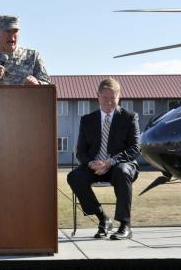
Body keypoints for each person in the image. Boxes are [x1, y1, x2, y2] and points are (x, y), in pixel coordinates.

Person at [67, 78, 140, 240]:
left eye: (112, 98)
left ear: (119, 96)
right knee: (74, 176)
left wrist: (110, 162)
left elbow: (135, 148)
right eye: (105, 98)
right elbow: (81, 151)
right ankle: (103, 219)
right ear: (97, 96)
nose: (109, 102)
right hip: (95, 167)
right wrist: (90, 163)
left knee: (122, 171)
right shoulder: (87, 120)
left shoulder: (129, 118)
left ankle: (125, 225)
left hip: (120, 166)